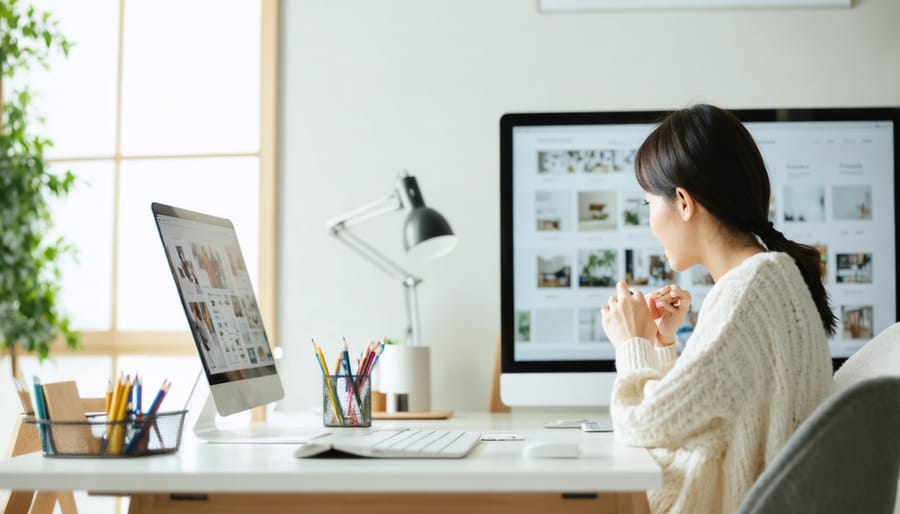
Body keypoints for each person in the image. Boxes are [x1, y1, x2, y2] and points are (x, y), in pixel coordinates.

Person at [600, 104, 835, 514]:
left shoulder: (748, 292)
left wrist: (631, 343)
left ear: (683, 202)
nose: (649, 222)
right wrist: (662, 342)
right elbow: (703, 418)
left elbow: (642, 426)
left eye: (647, 205)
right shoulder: (766, 278)